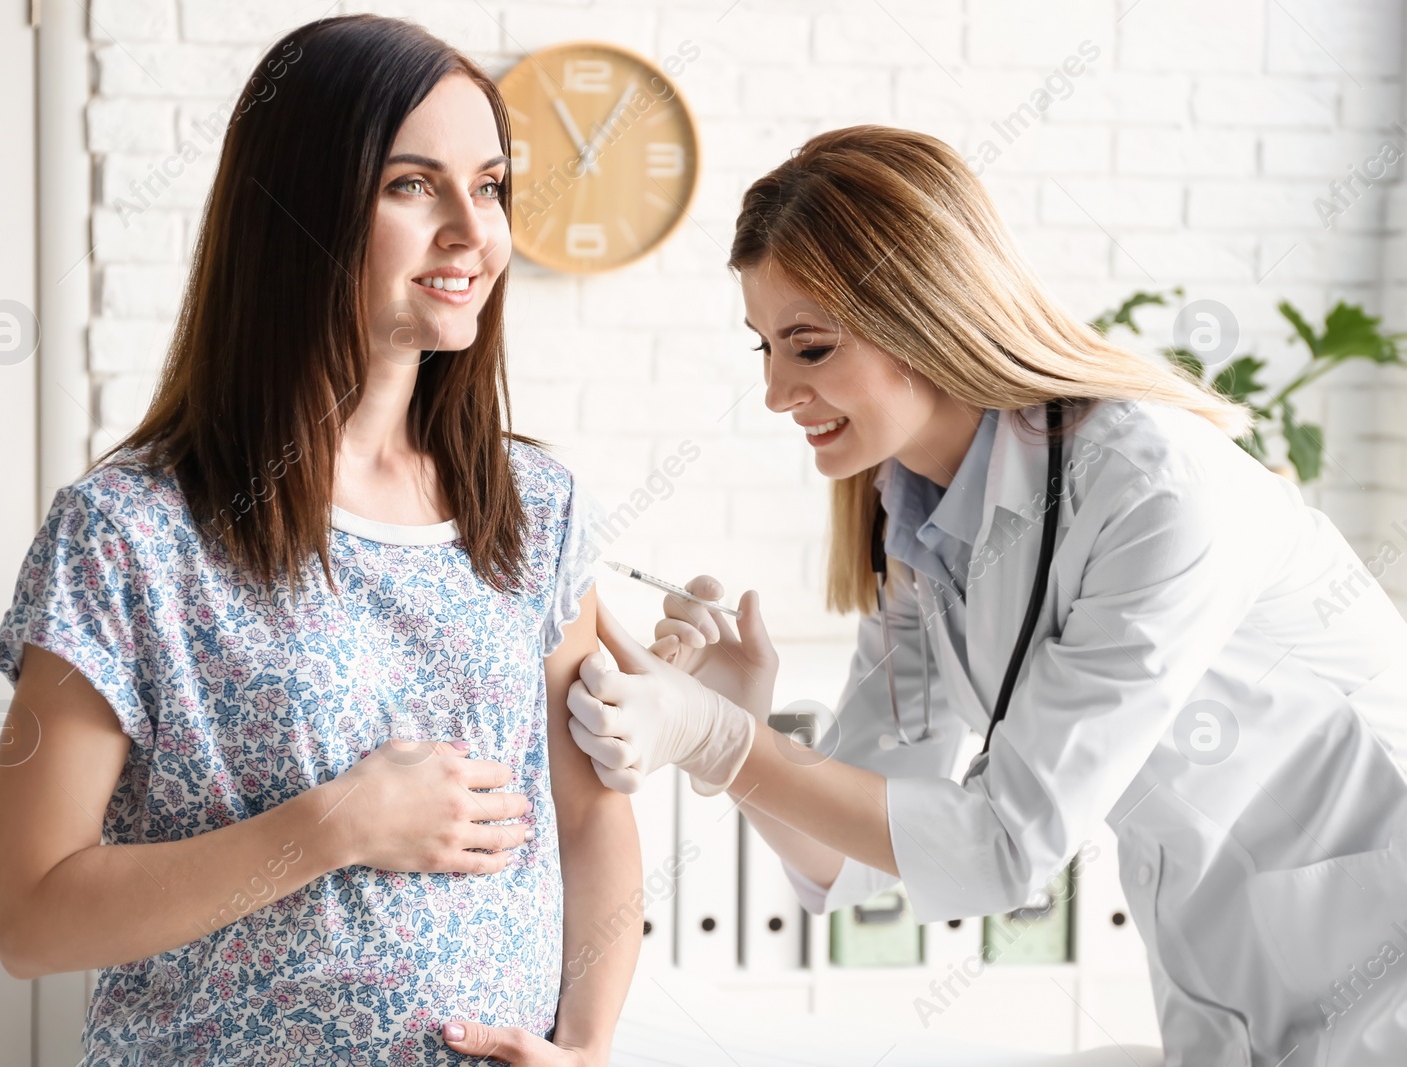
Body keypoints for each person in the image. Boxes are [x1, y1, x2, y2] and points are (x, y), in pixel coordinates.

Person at [565, 125, 1407, 1066]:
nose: (773, 391)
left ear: (923, 314)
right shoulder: (920, 525)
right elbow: (846, 865)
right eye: (765, 347)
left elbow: (1008, 848)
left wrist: (722, 741)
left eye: (808, 346)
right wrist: (733, 730)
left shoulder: (1154, 490)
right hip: (1231, 981)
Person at [0, 16, 635, 1067]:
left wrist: (591, 1045)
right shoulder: (127, 536)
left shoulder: (533, 508)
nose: (474, 229)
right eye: (412, 186)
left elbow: (590, 811)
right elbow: (30, 917)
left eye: (493, 183)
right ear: (296, 214)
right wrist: (330, 826)